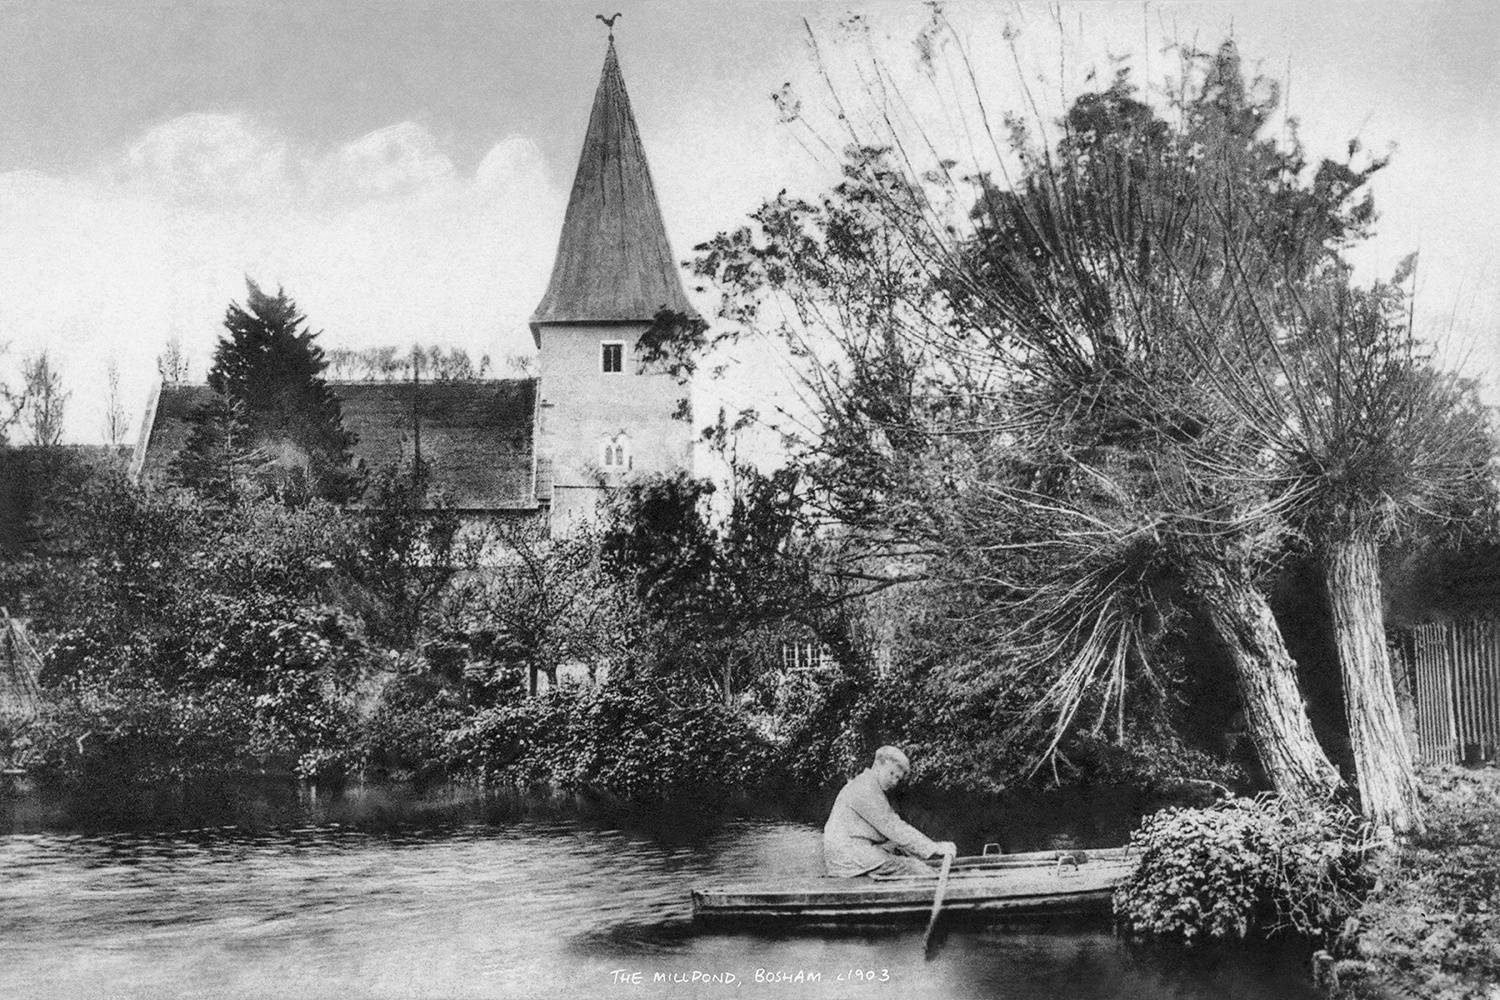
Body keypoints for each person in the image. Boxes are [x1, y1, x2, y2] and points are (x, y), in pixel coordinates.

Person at [823, 745, 957, 878]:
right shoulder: (864, 788)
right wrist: (933, 848)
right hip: (849, 858)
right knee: (915, 868)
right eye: (891, 773)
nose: (894, 781)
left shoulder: (869, 784)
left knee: (902, 849)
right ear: (877, 765)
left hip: (855, 850)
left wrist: (928, 849)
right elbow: (893, 827)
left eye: (898, 778)